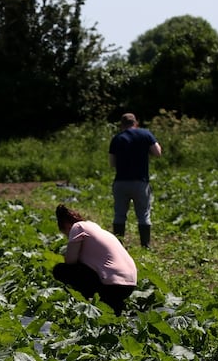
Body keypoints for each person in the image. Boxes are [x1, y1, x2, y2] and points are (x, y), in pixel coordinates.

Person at [52, 204, 137, 316]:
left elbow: (70, 261)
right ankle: (112, 304)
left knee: (61, 270)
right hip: (130, 284)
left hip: (112, 285)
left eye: (66, 235)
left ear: (67, 226)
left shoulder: (78, 227)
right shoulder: (96, 229)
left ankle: (89, 306)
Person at [108, 112, 162, 248]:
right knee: (144, 214)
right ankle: (146, 245)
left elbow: (112, 163)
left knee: (119, 214)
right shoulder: (145, 134)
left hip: (121, 182)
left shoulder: (117, 138)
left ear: (122, 125)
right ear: (135, 123)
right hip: (140, 182)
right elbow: (157, 152)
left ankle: (118, 245)